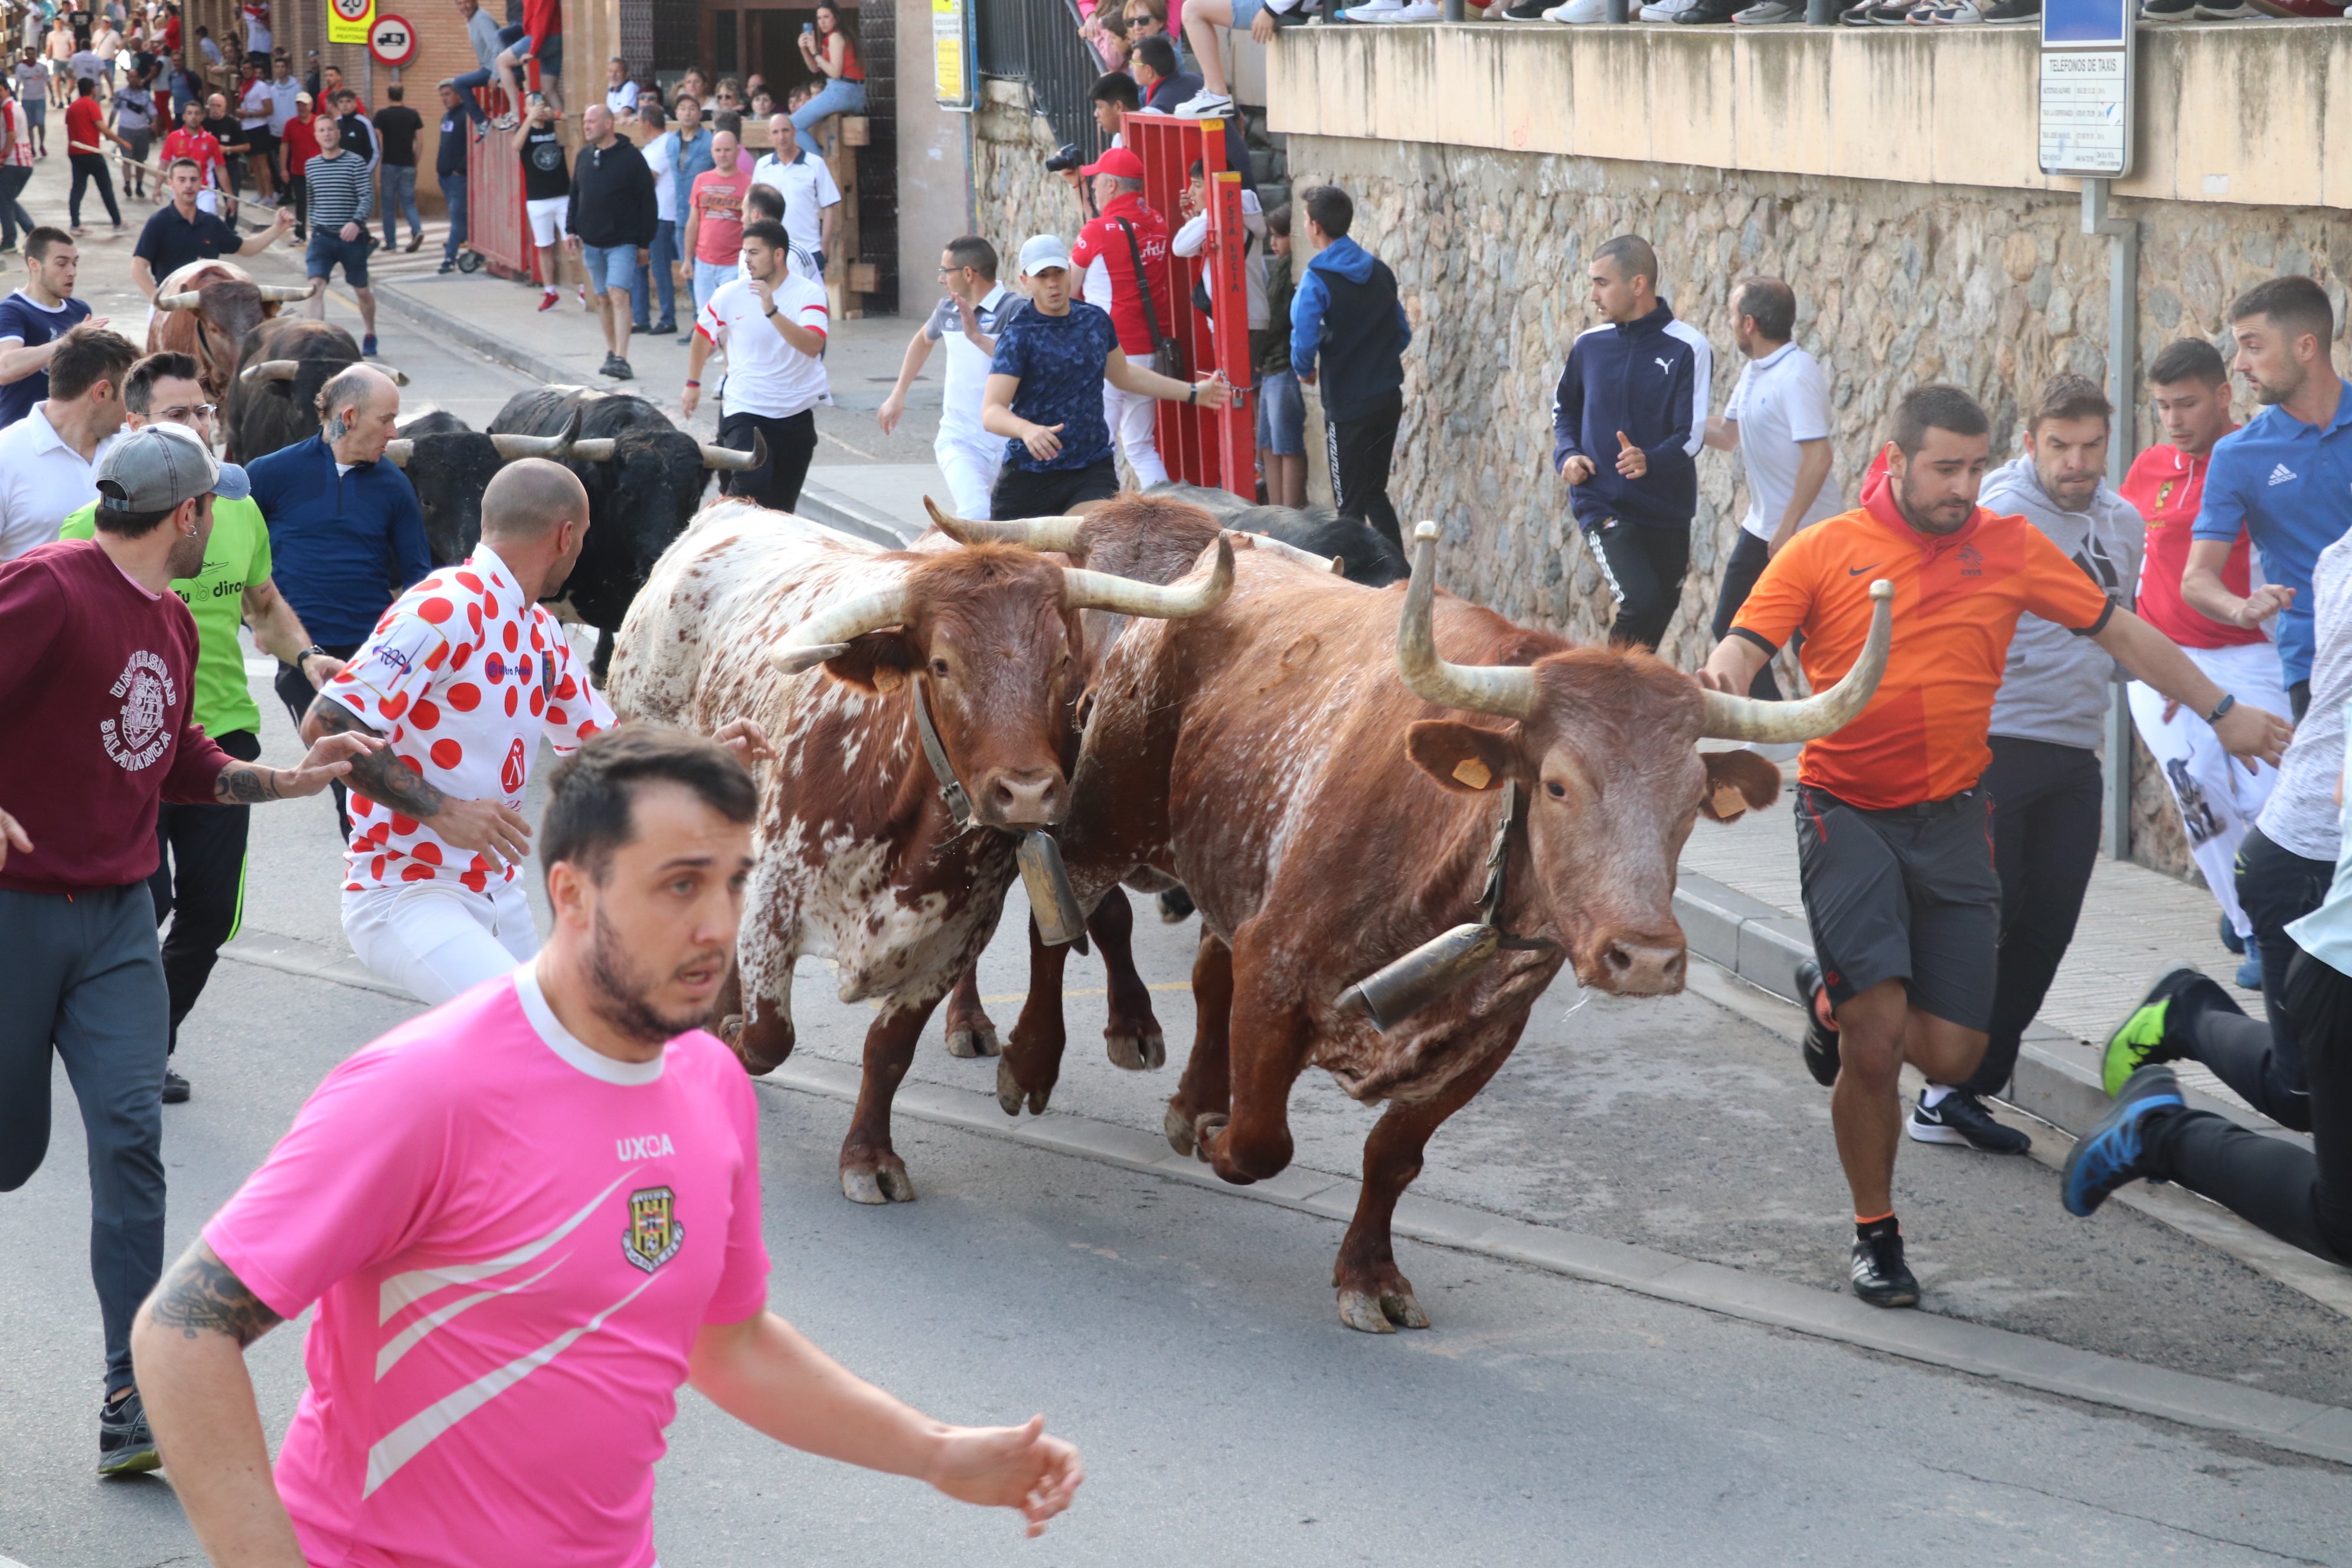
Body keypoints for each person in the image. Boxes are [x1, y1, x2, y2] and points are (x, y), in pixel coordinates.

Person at [130, 723, 1082, 1557]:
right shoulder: (427, 1087)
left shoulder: (711, 1084)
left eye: (733, 883)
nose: (718, 928)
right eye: (678, 886)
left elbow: (731, 1341)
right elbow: (182, 1333)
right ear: (573, 893)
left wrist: (933, 1452)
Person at [1697, 383, 2293, 1309]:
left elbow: (2124, 633)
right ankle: (1876, 1235)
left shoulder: (2009, 548)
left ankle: (1827, 994)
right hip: (1843, 808)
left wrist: (2224, 714)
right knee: (1877, 1037)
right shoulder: (1827, 550)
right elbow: (1742, 645)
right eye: (1945, 468)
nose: (1963, 486)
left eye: (1976, 468)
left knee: (1957, 1059)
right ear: (1895, 461)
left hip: (1953, 815)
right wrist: (1726, 680)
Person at [0, 420, 375, 1479]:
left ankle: (131, 1391)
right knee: (11, 1153)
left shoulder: (168, 622)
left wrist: (296, 782)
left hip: (119, 917)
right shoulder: (48, 587)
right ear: (191, 515)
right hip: (14, 913)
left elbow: (181, 763)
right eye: (220, 508)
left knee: (129, 1140)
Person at [56, 352, 338, 1100]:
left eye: (205, 411)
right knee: (143, 903)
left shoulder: (235, 509)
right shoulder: (92, 527)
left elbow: (266, 602)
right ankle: (104, 1038)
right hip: (130, 748)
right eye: (180, 415)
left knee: (211, 913)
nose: (200, 425)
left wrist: (307, 658)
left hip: (223, 741)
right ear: (138, 425)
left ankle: (148, 1048)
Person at [1899, 373, 2141, 1155]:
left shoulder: (2124, 521)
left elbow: (2124, 633)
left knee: (2046, 927)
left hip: (2076, 750)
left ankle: (1958, 1093)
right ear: (2031, 444)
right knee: (1982, 919)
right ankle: (1856, 999)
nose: (2077, 463)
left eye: (2092, 446)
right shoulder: (1996, 510)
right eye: (2060, 447)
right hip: (1994, 740)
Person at [296, 460, 613, 997]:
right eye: (582, 539)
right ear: (566, 537)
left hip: (496, 889)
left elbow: (604, 747)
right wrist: (442, 810)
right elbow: (328, 722)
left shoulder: (541, 631)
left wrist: (708, 757)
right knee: (524, 1027)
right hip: (405, 891)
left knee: (557, 1045)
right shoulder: (446, 606)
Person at [2070, 771, 2352, 1263]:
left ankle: (2184, 1017)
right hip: (2338, 955)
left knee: (2298, 1093)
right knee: (2337, 1203)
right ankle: (2154, 1131)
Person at [2124, 339, 2286, 988]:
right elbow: (2128, 562)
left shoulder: (2261, 458)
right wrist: (2155, 659)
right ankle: (2257, 937)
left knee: (2274, 797)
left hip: (2251, 657)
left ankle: (2248, 897)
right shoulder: (2148, 467)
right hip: (2162, 663)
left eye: (2186, 403)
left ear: (2223, 395)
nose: (2173, 420)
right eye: (2162, 406)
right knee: (2201, 791)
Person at [244, 364, 428, 837]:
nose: (394, 432)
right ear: (348, 416)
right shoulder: (268, 475)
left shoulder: (393, 485)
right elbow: (229, 556)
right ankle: (370, 884)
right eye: (386, 420)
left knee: (373, 783)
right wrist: (258, 626)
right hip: (303, 657)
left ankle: (377, 880)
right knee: (352, 779)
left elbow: (420, 581)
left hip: (374, 659)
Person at [2183, 277, 2352, 723]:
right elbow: (2196, 579)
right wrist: (2240, 609)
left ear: (2306, 347)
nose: (2239, 365)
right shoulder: (2238, 455)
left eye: (2253, 346)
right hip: (2317, 670)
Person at [984, 231, 1228, 517]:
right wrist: (1027, 430)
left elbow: (1124, 375)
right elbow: (991, 411)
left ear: (1069, 272)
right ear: (1025, 281)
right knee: (1021, 562)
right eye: (1042, 276)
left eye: (1059, 272)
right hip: (1030, 477)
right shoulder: (1018, 336)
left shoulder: (1095, 321)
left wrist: (1193, 392)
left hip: (1090, 470)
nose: (1053, 283)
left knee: (1090, 542)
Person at [1551, 233, 1709, 652]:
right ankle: (1602, 697)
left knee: (1657, 613)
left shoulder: (1689, 346)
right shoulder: (1589, 345)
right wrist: (1567, 455)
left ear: (1638, 285)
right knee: (1640, 602)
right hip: (1602, 501)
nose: (1593, 295)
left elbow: (1691, 433)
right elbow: (1564, 409)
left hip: (1667, 508)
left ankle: (1628, 700)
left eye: (1602, 283)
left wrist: (1650, 460)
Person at [1699, 276, 1835, 699]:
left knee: (1811, 640)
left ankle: (1832, 733)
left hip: (1807, 534)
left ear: (1749, 324)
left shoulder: (1797, 374)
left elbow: (1819, 456)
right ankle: (1772, 723)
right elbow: (1726, 434)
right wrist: (1667, 417)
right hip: (1765, 529)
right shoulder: (1755, 370)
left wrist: (1788, 528)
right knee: (1732, 626)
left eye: (1732, 315)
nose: (1729, 322)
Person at [1292, 183, 1410, 557]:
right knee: (1376, 493)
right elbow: (1402, 333)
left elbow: (1303, 336)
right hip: (1388, 398)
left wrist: (1304, 369)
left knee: (1349, 509)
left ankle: (1357, 594)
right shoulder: (1380, 272)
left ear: (1315, 227)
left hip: (1347, 409)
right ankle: (1403, 580)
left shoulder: (1316, 280)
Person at [684, 220, 827, 513]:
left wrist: (771, 310)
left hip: (794, 414)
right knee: (750, 489)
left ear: (778, 255)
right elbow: (702, 334)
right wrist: (693, 384)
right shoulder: (731, 294)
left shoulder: (808, 293)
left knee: (780, 511)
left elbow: (813, 346)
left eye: (754, 252)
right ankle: (715, 531)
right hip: (744, 408)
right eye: (744, 252)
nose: (746, 260)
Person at [880, 234, 1019, 518]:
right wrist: (898, 394)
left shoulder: (1016, 310)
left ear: (968, 274)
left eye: (945, 271)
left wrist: (977, 337)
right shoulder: (947, 309)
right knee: (977, 514)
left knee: (1009, 527)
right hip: (960, 439)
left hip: (1011, 444)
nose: (941, 279)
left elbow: (1023, 363)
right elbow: (922, 341)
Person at [1067, 146, 1173, 488]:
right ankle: (1171, 514)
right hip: (1148, 350)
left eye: (1096, 181)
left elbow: (1068, 289)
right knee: (1141, 446)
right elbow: (1114, 233)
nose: (1093, 187)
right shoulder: (1158, 222)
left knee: (1101, 446)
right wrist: (1080, 194)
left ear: (1111, 185)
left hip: (1109, 352)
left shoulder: (1096, 232)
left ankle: (1107, 524)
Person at [0, 321, 130, 558]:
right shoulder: (5, 456)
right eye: (128, 392)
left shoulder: (135, 448)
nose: (134, 405)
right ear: (102, 392)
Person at [129, 155, 292, 313]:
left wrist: (278, 228)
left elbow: (248, 248)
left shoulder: (212, 223)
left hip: (208, 307)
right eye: (182, 180)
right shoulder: (158, 222)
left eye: (193, 180)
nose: (188, 185)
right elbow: (138, 267)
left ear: (201, 183)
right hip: (171, 304)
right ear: (171, 183)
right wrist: (159, 301)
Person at [567, 103, 655, 381]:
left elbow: (647, 201)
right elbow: (575, 195)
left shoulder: (631, 158)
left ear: (608, 124)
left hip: (623, 241)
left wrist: (644, 243)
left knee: (619, 294)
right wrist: (571, 230)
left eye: (592, 121)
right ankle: (612, 350)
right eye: (585, 122)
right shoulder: (583, 156)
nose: (587, 126)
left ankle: (622, 358)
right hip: (592, 242)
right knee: (603, 298)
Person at [296, 110, 377, 353]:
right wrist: (311, 228)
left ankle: (370, 332)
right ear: (316, 136)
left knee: (362, 291)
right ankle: (314, 341)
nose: (327, 134)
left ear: (338, 133)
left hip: (351, 238)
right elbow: (312, 200)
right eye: (322, 131)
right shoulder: (311, 166)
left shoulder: (355, 162)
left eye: (330, 130)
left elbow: (366, 196)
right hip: (322, 237)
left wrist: (356, 222)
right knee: (315, 287)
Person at [0, 226, 93, 427]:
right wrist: (70, 341)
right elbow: (5, 368)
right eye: (62, 264)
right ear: (34, 265)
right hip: (20, 434)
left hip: (68, 434)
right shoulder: (12, 311)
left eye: (75, 263)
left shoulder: (80, 311)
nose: (72, 272)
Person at [751, 107, 838, 279]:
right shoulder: (762, 166)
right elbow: (753, 207)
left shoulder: (815, 164)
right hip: (772, 250)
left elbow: (830, 206)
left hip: (809, 250)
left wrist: (824, 248)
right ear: (769, 135)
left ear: (794, 132)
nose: (781, 137)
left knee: (812, 303)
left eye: (785, 131)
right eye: (776, 132)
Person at [1173, 0, 1298, 117]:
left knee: (1192, 10)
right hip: (1286, 7)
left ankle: (1215, 94)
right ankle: (1214, 93)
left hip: (1283, 8)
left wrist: (1270, 10)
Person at [1257, 201, 1304, 507]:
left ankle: (1287, 513)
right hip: (1273, 366)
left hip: (1282, 365)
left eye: (1280, 236)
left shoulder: (1291, 270)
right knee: (1269, 445)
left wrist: (1254, 353)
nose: (1274, 243)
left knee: (1284, 446)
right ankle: (1278, 513)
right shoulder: (1284, 268)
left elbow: (1274, 319)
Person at [515, 92, 579, 312]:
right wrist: (529, 119)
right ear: (525, 109)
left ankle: (582, 287)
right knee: (544, 247)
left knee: (573, 242)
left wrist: (556, 114)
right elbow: (516, 146)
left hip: (563, 195)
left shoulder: (554, 128)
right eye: (533, 106)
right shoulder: (525, 131)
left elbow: (575, 124)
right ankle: (550, 291)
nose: (538, 110)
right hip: (538, 199)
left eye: (540, 106)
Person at [680, 123, 747, 319]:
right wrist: (687, 259)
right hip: (703, 264)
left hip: (734, 264)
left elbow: (752, 227)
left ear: (737, 151)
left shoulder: (749, 183)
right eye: (718, 150)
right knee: (705, 317)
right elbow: (693, 223)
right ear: (712, 152)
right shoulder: (701, 180)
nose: (722, 154)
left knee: (732, 318)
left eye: (727, 150)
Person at [628, 101, 677, 331]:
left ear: (647, 123)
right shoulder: (651, 147)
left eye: (640, 122)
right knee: (641, 264)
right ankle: (641, 317)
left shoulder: (666, 144)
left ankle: (668, 318)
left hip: (663, 214)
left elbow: (649, 178)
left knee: (660, 267)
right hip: (648, 214)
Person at [790, 0, 861, 157]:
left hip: (842, 90)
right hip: (851, 91)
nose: (822, 22)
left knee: (793, 125)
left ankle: (820, 164)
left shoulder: (835, 37)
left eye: (826, 17)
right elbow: (815, 69)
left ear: (836, 18)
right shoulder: (831, 38)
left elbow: (835, 73)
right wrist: (805, 50)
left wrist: (815, 52)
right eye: (819, 18)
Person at [63, 75, 122, 232]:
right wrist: (122, 142)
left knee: (78, 188)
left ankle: (75, 223)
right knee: (106, 188)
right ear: (93, 90)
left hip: (75, 153)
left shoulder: (73, 107)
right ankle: (117, 222)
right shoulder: (92, 105)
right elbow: (103, 128)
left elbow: (70, 126)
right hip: (91, 152)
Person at [372, 80, 422, 251]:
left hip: (389, 165)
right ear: (403, 95)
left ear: (388, 95)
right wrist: (415, 161)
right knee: (408, 202)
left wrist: (380, 158)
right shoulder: (413, 114)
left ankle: (391, 243)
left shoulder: (382, 116)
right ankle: (417, 230)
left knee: (387, 205)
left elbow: (377, 139)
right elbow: (420, 141)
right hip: (408, 164)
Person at [492, 0, 561, 119]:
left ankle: (515, 112)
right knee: (548, 88)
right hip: (554, 37)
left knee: (502, 62)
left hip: (545, 37)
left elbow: (542, 20)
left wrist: (533, 51)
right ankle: (566, 124)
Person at [158, 92, 221, 212]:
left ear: (202, 117)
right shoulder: (173, 138)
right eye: (190, 113)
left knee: (206, 226)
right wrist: (157, 188)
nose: (193, 117)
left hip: (204, 191)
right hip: (180, 191)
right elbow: (164, 164)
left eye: (197, 114)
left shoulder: (211, 141)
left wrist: (230, 197)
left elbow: (220, 169)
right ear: (184, 117)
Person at [449, 0, 504, 128]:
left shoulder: (482, 19)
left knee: (459, 83)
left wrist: (495, 75)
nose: (464, 7)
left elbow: (497, 48)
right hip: (487, 67)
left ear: (474, 2)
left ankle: (481, 122)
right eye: (460, 3)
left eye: (466, 2)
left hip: (494, 68)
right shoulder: (472, 20)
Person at [433, 80, 467, 272]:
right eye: (442, 95)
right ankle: (471, 247)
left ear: (458, 94)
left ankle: (449, 259)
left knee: (457, 219)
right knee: (461, 218)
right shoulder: (446, 117)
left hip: (458, 178)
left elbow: (473, 146)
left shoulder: (465, 115)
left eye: (448, 94)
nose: (445, 99)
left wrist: (461, 169)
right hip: (444, 178)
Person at [106, 58, 152, 195]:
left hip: (142, 130)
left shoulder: (145, 95)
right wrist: (108, 129)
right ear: (127, 78)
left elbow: (152, 112)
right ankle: (127, 183)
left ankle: (139, 185)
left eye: (135, 77)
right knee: (127, 159)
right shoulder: (121, 95)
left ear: (139, 79)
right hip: (125, 130)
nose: (133, 79)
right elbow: (114, 112)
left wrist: (154, 126)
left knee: (140, 160)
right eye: (130, 77)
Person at [0, 71, 34, 252]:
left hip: (14, 162)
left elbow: (12, 135)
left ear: (7, 90)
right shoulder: (14, 106)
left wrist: (3, 157)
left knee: (4, 200)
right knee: (7, 199)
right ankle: (30, 230)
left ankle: (9, 240)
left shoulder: (7, 108)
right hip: (23, 162)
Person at [233, 56, 270, 201]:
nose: (246, 71)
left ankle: (269, 194)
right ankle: (260, 193)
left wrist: (250, 114)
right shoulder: (243, 86)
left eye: (249, 68)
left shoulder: (261, 86)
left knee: (262, 163)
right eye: (244, 69)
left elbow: (269, 109)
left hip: (259, 127)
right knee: (253, 164)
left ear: (254, 70)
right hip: (247, 127)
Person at [603, 52, 636, 117]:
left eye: (617, 72)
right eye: (610, 71)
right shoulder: (611, 91)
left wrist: (603, 118)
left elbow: (625, 114)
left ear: (626, 74)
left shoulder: (630, 87)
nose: (613, 75)